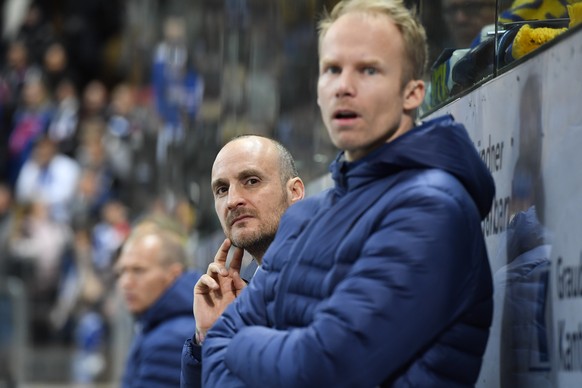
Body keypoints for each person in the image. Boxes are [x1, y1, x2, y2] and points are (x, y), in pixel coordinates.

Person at [202, 1, 496, 387]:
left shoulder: (432, 208)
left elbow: (323, 368)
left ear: (412, 93)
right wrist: (222, 340)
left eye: (368, 69)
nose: (344, 86)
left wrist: (235, 341)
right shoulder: (305, 219)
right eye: (332, 70)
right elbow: (217, 353)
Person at [180, 135, 305, 387]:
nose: (232, 200)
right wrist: (210, 335)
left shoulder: (332, 274)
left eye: (251, 181)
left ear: (294, 192)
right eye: (222, 189)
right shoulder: (240, 293)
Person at [115, 216, 202, 387]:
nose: (126, 282)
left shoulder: (170, 340)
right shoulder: (157, 324)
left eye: (138, 270)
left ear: (173, 275)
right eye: (122, 272)